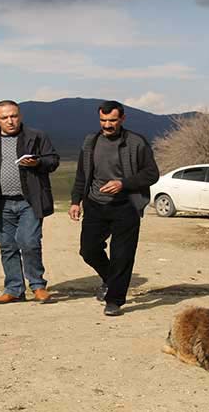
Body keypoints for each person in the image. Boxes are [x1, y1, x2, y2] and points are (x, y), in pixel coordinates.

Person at [68, 100, 159, 316]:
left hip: (126, 206)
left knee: (122, 255)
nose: (107, 125)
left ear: (122, 119)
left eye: (112, 120)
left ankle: (114, 300)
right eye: (103, 120)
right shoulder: (90, 141)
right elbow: (82, 174)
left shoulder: (136, 142)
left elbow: (151, 174)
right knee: (88, 250)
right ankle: (112, 280)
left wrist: (123, 183)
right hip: (95, 205)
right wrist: (75, 200)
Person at [0, 100, 59, 304]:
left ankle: (37, 286)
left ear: (20, 116)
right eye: (5, 117)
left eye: (14, 116)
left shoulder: (36, 136)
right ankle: (14, 289)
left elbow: (53, 161)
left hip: (30, 201)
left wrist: (38, 162)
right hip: (1, 202)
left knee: (29, 241)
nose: (10, 121)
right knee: (7, 245)